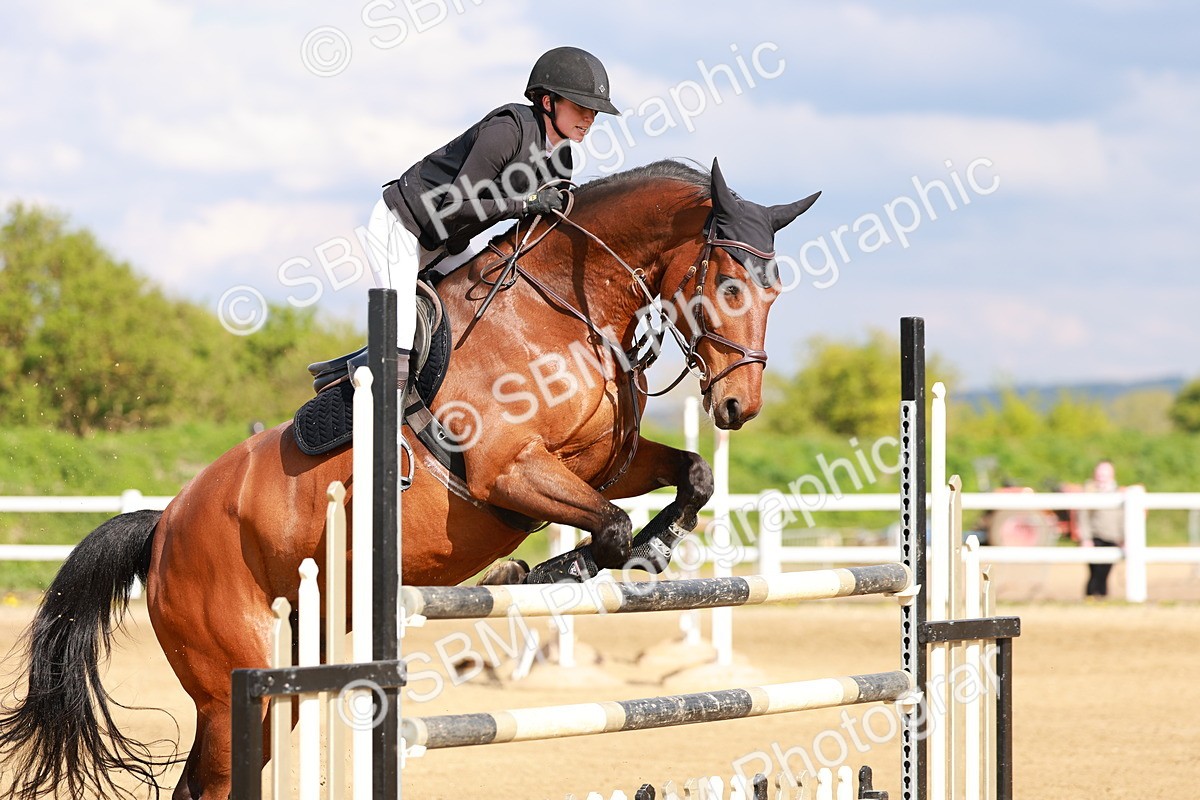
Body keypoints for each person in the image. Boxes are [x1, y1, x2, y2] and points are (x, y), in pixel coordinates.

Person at [365, 46, 619, 394]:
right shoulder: (508, 130)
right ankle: (379, 435)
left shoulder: (561, 162)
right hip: (401, 226)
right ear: (547, 102)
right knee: (401, 335)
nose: (589, 118)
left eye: (594, 111)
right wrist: (527, 202)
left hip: (447, 245)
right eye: (580, 107)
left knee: (491, 302)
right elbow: (455, 206)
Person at [1077, 459, 1124, 598]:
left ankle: (1101, 597)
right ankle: (1092, 597)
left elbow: (1121, 518)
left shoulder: (1118, 493)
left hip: (1112, 537)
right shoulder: (1090, 491)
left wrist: (1123, 537)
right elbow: (1083, 516)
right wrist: (1085, 538)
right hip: (1095, 537)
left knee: (1105, 572)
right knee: (1095, 571)